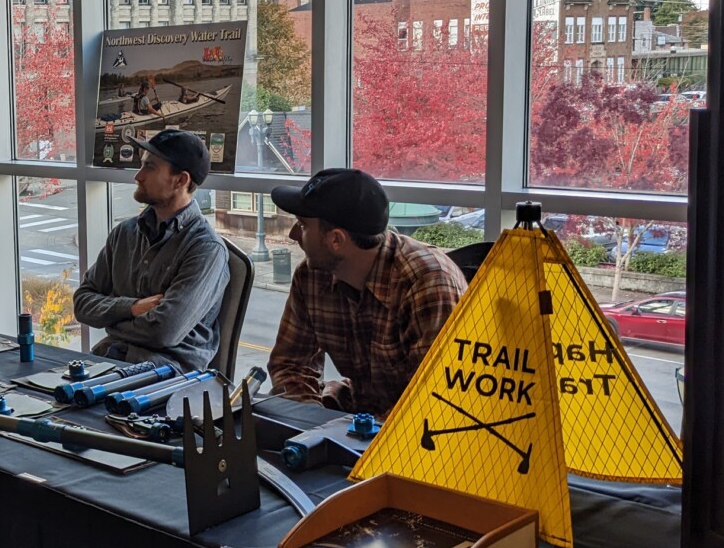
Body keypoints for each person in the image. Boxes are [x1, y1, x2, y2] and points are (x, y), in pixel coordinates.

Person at [267, 168, 466, 417]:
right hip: (360, 412)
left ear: (336, 240)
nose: (293, 234)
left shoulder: (427, 284)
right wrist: (313, 428)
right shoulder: (311, 276)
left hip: (419, 434)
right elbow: (290, 365)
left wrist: (356, 443)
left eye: (303, 225)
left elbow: (435, 399)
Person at [73, 129, 229, 372]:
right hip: (109, 361)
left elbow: (163, 333)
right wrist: (132, 307)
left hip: (165, 379)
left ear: (180, 180)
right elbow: (82, 303)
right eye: (141, 165)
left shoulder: (205, 249)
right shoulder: (125, 233)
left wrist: (112, 321)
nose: (138, 176)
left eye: (150, 167)